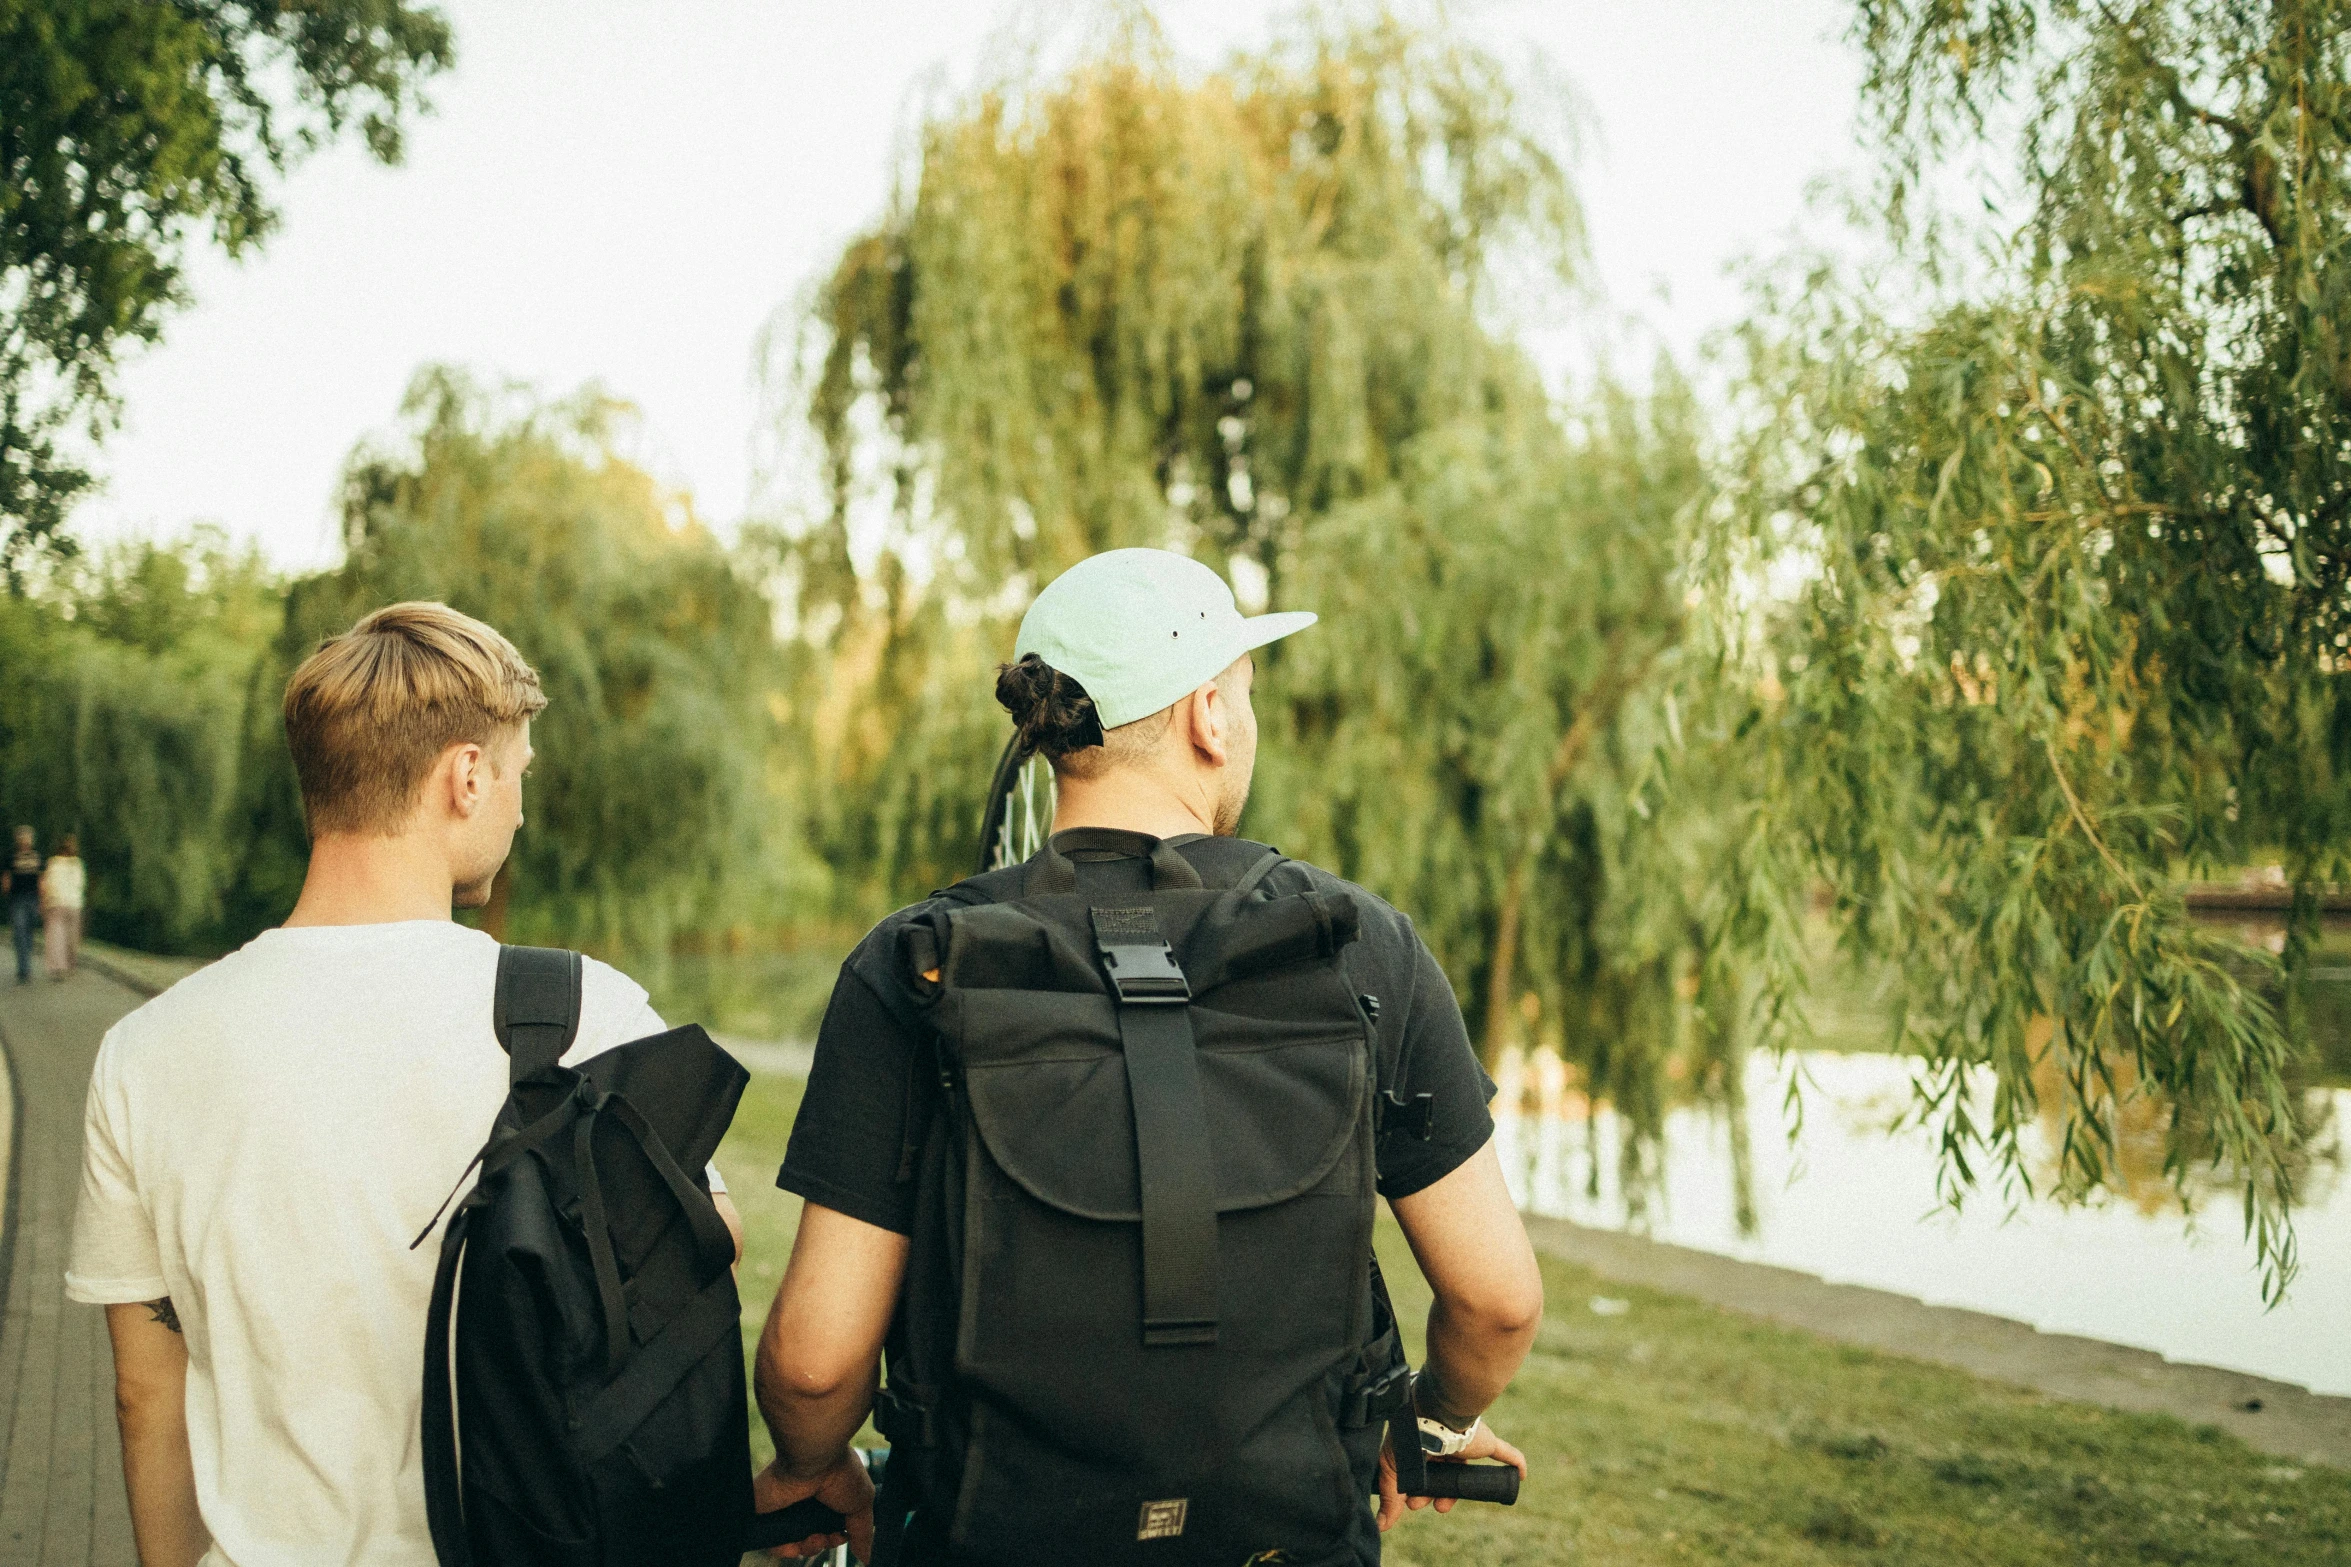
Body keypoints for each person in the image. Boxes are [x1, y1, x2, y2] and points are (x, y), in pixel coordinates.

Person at [752, 549, 1544, 1564]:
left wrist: (811, 1463)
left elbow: (815, 1364)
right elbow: (1495, 1300)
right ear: (1207, 715)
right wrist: (1428, 1418)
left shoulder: (916, 966)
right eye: (1243, 697)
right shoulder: (1357, 944)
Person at [64, 601, 742, 1567]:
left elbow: (145, 1395)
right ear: (466, 775)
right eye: (517, 775)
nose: (522, 806)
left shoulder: (142, 1049)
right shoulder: (582, 1011)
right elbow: (707, 1248)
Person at [42, 831, 86, 979]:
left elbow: (47, 884)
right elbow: (81, 884)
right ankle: (65, 964)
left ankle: (61, 964)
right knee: (67, 936)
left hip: (61, 903)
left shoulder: (55, 863)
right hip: (69, 903)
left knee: (59, 936)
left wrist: (46, 901)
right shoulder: (75, 864)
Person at [7, 825, 42, 984]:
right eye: (22, 837)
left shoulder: (37, 856)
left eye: (27, 837)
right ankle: (24, 968)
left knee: (29, 931)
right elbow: (6, 877)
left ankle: (25, 958)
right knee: (20, 931)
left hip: (33, 898)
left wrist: (43, 899)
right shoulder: (11, 856)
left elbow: (41, 879)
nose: (25, 840)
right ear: (18, 840)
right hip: (18, 899)